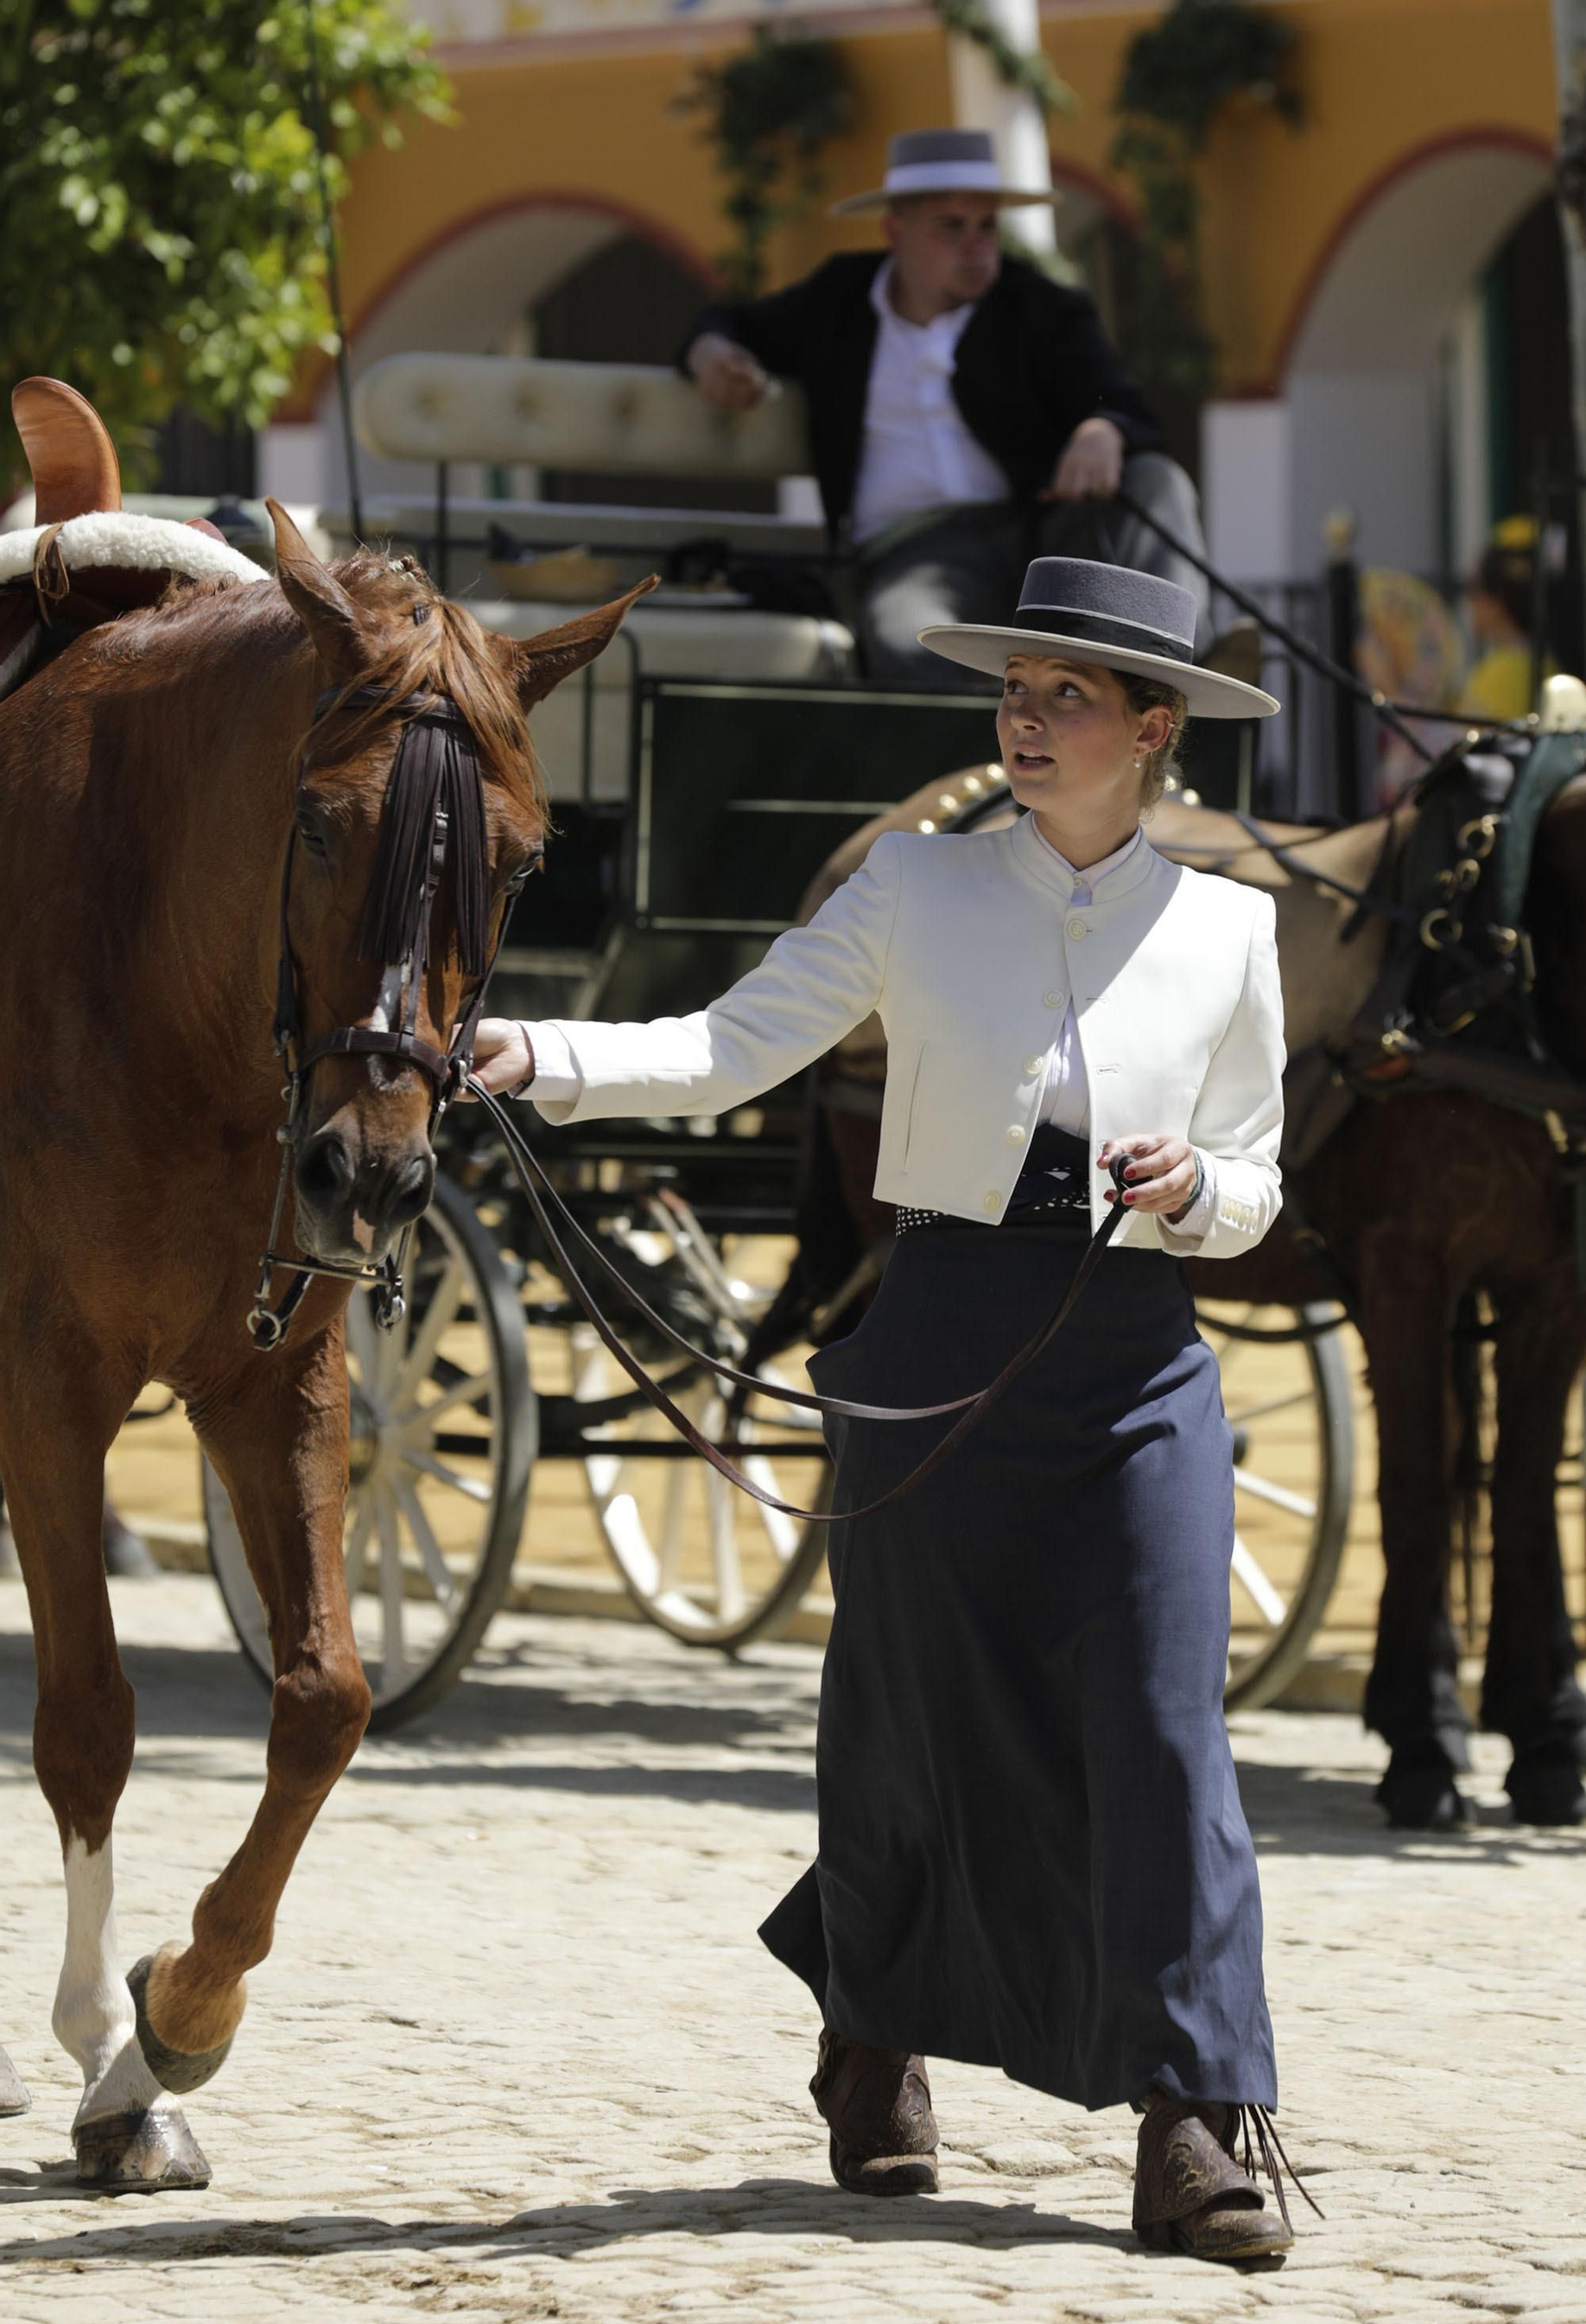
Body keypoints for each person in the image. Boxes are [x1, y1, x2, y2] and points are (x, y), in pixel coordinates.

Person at [473, 557, 1303, 2265]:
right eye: (1015, 685)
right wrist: (537, 1059)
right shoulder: (915, 890)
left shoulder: (1232, 929)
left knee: (1164, 1732)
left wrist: (1193, 1185)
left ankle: (1196, 2117)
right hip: (936, 1335)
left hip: (1139, 1359)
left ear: (1155, 732)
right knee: (911, 1718)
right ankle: (873, 2038)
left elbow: (1263, 1182)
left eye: (1068, 694)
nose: (1027, 714)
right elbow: (723, 1048)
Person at [679, 127, 1215, 687]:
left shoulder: (1036, 303)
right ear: (896, 231)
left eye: (987, 226)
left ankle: (1174, 670)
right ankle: (1007, 754)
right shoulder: (837, 300)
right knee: (905, 640)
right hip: (914, 550)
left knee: (1157, 481)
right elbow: (728, 321)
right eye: (951, 227)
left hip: (1036, 537)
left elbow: (1122, 405)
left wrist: (1102, 429)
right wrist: (709, 352)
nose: (975, 246)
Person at [1458, 516, 1559, 724]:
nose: (1469, 600)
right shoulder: (1550, 665)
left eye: (1474, 587)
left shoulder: (1499, 675)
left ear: (1497, 600)